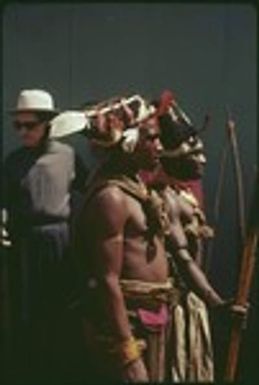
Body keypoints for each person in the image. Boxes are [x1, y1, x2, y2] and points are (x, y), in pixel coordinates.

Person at [140, 90, 248, 382]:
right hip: (179, 306)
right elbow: (184, 260)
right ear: (172, 159)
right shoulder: (165, 200)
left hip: (193, 302)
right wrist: (216, 302)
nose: (202, 160)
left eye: (200, 152)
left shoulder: (182, 193)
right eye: (194, 155)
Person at [72, 94, 175, 382]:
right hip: (126, 331)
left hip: (148, 323)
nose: (160, 146)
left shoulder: (135, 188)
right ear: (129, 144)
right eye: (152, 139)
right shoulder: (111, 198)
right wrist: (128, 354)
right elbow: (108, 280)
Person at [2, 89, 88, 382]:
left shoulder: (68, 156)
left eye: (30, 125)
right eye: (18, 125)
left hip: (59, 242)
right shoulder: (12, 162)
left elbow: (92, 193)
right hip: (23, 244)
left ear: (48, 124)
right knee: (25, 313)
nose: (23, 132)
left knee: (60, 310)